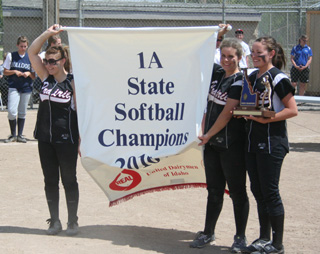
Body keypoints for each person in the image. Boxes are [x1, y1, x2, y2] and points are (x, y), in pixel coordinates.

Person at [190, 38, 249, 253]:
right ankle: (208, 232)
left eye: (231, 56)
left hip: (231, 144)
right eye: (223, 55)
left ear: (239, 58)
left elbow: (227, 114)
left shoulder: (240, 81)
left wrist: (206, 135)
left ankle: (240, 237)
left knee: (237, 192)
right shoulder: (217, 76)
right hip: (213, 144)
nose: (226, 60)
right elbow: (202, 56)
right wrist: (216, 36)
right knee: (214, 190)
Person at [242, 37, 298, 254]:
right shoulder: (253, 76)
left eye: (259, 53)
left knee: (270, 192)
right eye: (252, 53)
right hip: (252, 141)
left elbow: (292, 109)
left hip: (271, 142)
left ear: (271, 53)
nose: (254, 56)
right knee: (257, 190)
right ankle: (264, 238)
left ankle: (277, 244)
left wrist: (267, 118)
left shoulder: (278, 77)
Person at [28, 24, 80, 236]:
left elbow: (83, 113)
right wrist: (49, 34)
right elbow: (32, 51)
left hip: (66, 140)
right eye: (46, 61)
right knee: (50, 180)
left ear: (63, 61)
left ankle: (73, 222)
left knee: (69, 180)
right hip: (45, 138)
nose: (48, 65)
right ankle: (55, 221)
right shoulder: (44, 77)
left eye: (52, 61)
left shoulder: (72, 82)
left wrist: (81, 140)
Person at [3, 36, 35, 143]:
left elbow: (34, 75)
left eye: (25, 46)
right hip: (14, 86)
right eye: (21, 46)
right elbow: (5, 72)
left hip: (26, 87)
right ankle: (13, 135)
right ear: (17, 45)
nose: (23, 48)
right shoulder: (11, 56)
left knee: (22, 112)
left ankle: (20, 135)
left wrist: (29, 73)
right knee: (12, 111)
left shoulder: (30, 57)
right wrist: (14, 71)